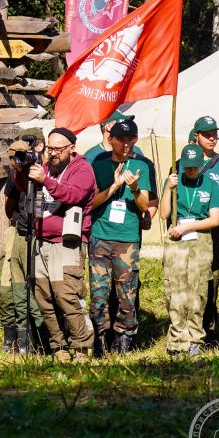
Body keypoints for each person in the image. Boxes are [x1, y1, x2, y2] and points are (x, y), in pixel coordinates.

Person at [20, 128, 97, 361]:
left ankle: (82, 347)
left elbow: (72, 195)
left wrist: (46, 181)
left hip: (67, 243)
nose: (52, 153)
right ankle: (59, 347)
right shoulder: (44, 168)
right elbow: (30, 196)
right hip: (41, 241)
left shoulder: (83, 169)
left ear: (71, 148)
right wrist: (22, 172)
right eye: (50, 149)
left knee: (67, 296)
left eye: (58, 149)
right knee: (44, 298)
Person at [89, 118, 152, 355]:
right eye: (121, 139)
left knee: (127, 293)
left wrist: (134, 188)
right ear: (110, 139)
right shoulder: (99, 163)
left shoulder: (141, 166)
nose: (126, 144)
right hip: (100, 236)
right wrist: (114, 187)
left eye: (130, 139)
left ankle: (124, 338)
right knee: (98, 293)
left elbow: (145, 205)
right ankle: (99, 338)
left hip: (127, 238)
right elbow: (91, 202)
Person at [158, 144, 219, 356]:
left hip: (200, 240)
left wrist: (188, 226)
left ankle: (195, 339)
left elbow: (214, 220)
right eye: (188, 167)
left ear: (202, 165)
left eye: (195, 167)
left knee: (198, 292)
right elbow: (163, 214)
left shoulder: (210, 185)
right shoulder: (175, 182)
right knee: (175, 291)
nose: (191, 171)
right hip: (176, 239)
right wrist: (168, 188)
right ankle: (177, 340)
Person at [181, 116, 219, 339]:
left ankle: (207, 329)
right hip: (185, 231)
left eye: (215, 134)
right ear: (196, 136)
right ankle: (184, 329)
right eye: (207, 134)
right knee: (184, 281)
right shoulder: (183, 161)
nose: (212, 138)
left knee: (211, 281)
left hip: (215, 231)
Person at [0, 138, 45, 354]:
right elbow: (9, 207)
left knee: (37, 289)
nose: (19, 159)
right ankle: (20, 341)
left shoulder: (44, 172)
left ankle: (41, 340)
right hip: (19, 231)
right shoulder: (15, 175)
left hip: (40, 233)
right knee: (15, 287)